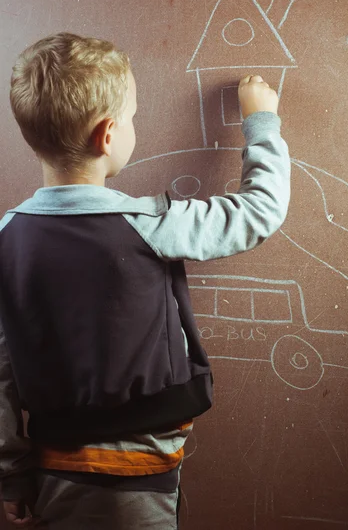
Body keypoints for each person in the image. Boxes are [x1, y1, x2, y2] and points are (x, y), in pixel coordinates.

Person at [0, 32, 291, 529]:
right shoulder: (149, 224)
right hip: (135, 475)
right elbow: (259, 212)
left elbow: (3, 368)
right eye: (133, 118)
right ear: (108, 135)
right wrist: (260, 121)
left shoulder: (6, 238)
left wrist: (12, 475)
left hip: (54, 464)